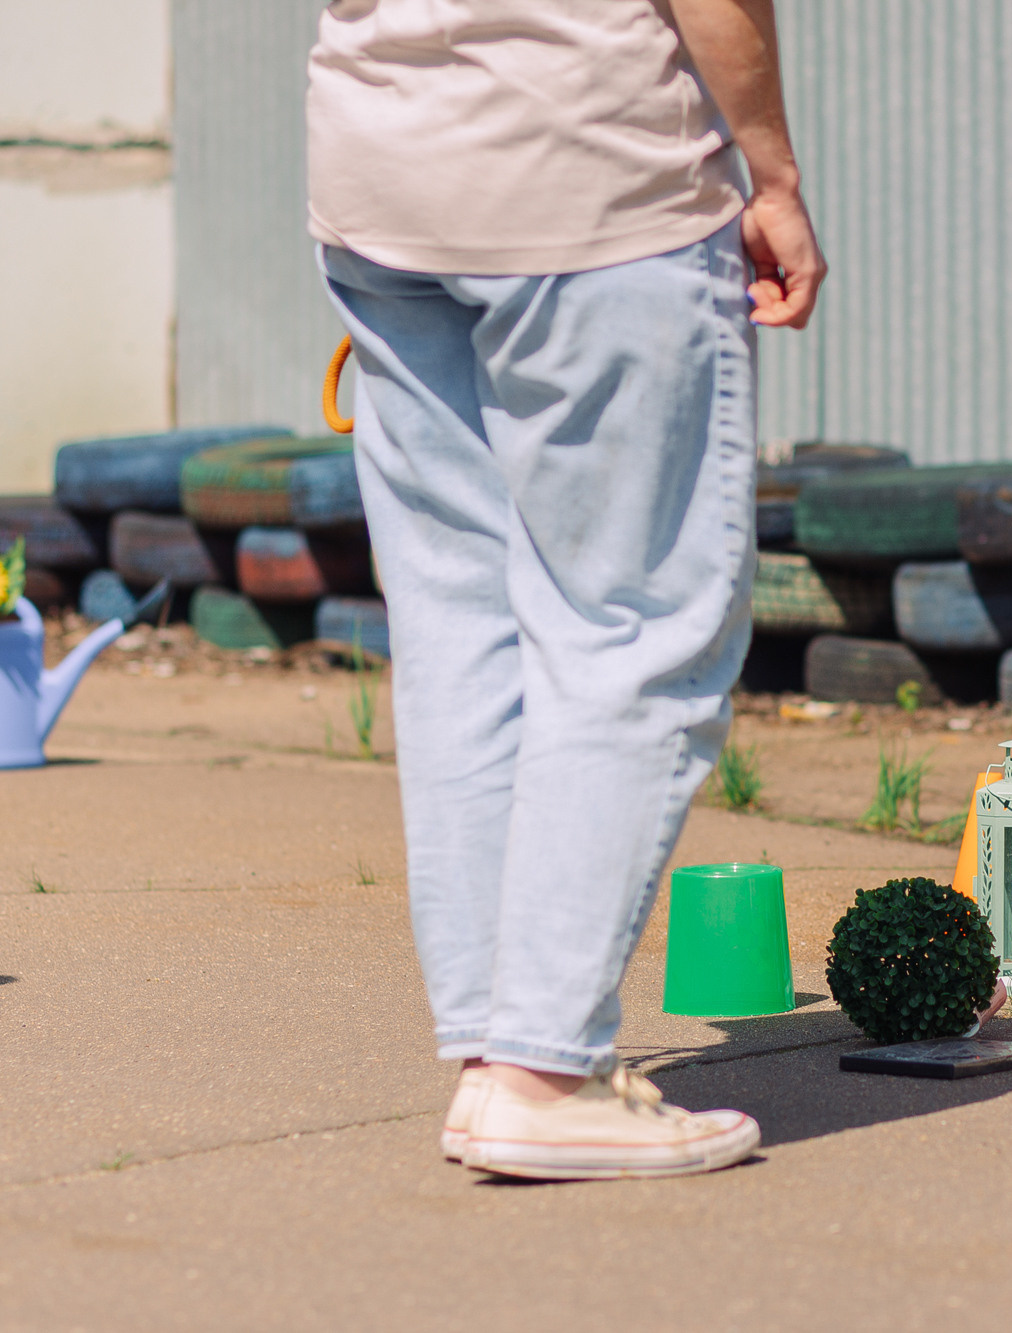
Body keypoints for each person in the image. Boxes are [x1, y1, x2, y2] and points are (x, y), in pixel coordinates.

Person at [305, 0, 825, 1180]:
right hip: (587, 185)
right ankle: (540, 1073)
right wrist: (774, 172)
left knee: (463, 626)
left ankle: (506, 1055)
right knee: (634, 632)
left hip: (380, 184)